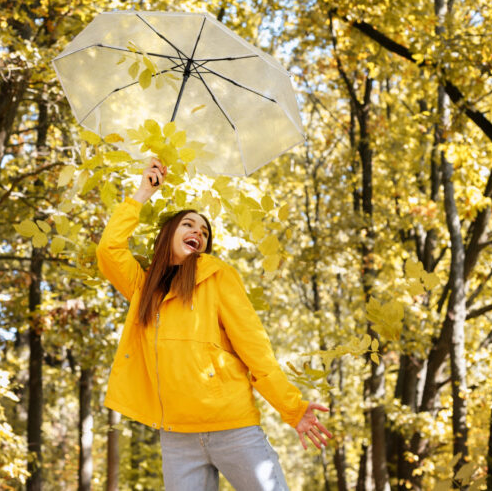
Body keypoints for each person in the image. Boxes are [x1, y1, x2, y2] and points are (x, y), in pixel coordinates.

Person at [96, 158, 332, 491]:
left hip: (232, 427)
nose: (198, 233)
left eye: (204, 231)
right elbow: (109, 250)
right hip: (176, 436)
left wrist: (292, 408)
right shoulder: (143, 288)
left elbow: (255, 348)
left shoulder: (217, 276)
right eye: (188, 225)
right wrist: (142, 193)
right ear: (168, 235)